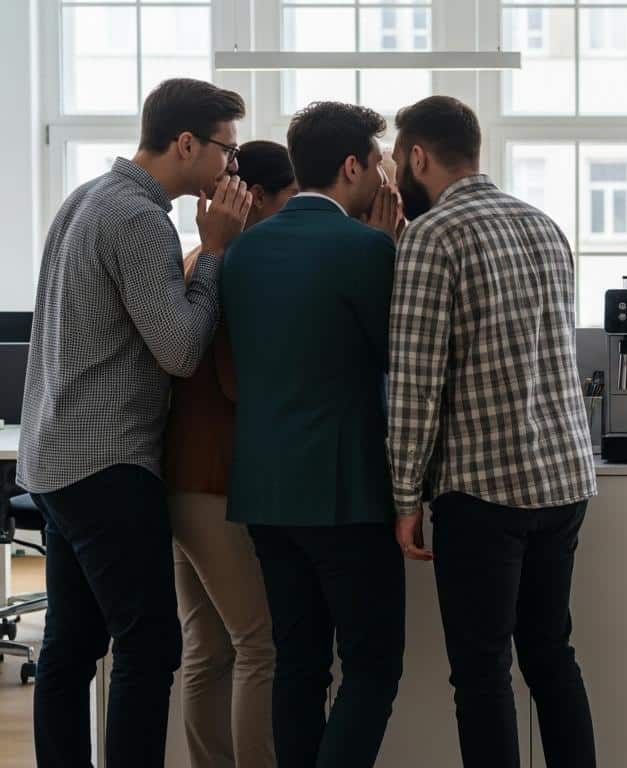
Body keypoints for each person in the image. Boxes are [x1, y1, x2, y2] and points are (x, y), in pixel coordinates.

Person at [18, 77, 251, 767]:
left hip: (56, 457)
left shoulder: (86, 198)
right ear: (187, 144)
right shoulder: (140, 219)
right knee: (149, 644)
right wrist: (212, 253)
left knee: (70, 644)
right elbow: (180, 350)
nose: (232, 168)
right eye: (225, 151)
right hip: (107, 463)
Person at [387, 95, 598, 768]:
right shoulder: (545, 226)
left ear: (418, 156)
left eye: (398, 162)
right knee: (551, 657)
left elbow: (416, 383)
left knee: (481, 674)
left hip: (483, 492)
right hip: (563, 480)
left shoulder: (433, 236)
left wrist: (403, 498)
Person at [220, 102, 404, 768]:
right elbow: (400, 359)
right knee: (373, 664)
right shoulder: (366, 248)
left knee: (298, 665)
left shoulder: (240, 251)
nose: (384, 175)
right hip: (345, 491)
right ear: (353, 165)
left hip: (265, 491)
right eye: (378, 161)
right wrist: (395, 250)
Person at [164, 140, 299, 768]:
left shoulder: (201, 257)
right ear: (259, 199)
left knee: (208, 651)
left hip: (182, 480)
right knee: (257, 645)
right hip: (214, 482)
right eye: (293, 201)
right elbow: (236, 380)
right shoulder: (236, 264)